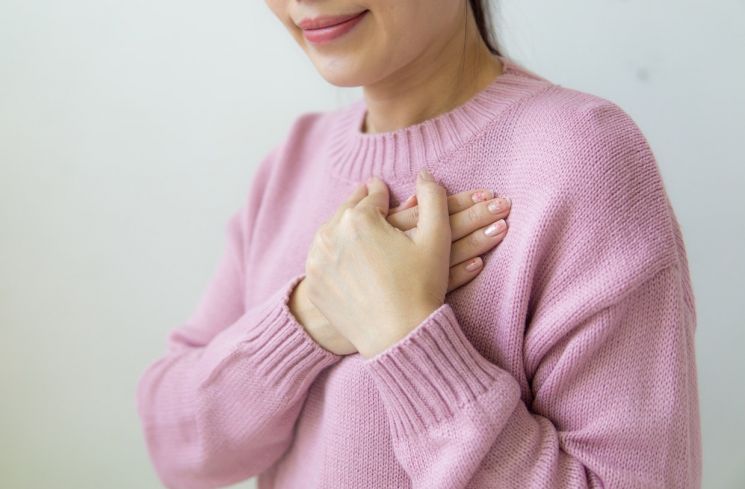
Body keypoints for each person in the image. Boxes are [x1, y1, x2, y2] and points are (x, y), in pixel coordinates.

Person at [135, 1, 701, 488]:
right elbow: (177, 446)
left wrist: (406, 336)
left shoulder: (581, 157)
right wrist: (310, 316)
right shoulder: (293, 161)